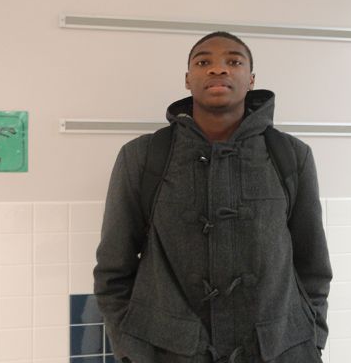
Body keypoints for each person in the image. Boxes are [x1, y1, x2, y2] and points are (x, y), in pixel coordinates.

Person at [94, 32, 332, 363]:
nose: (218, 69)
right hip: (170, 352)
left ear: (250, 79)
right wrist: (130, 349)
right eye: (203, 62)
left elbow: (313, 264)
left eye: (233, 61)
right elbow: (112, 270)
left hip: (280, 350)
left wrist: (313, 336)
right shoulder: (142, 156)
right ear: (188, 79)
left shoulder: (291, 155)